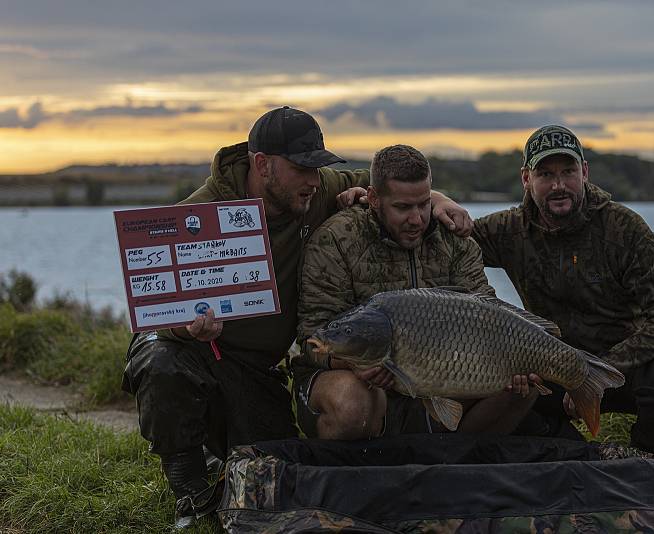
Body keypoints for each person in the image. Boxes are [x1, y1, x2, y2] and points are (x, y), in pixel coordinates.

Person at [121, 107, 473, 524]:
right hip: (200, 349)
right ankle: (189, 488)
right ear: (263, 165)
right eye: (303, 168)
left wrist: (439, 198)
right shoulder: (200, 213)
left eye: (318, 167)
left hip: (258, 368)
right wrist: (185, 324)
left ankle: (220, 460)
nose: (313, 179)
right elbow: (157, 311)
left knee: (277, 472)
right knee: (161, 361)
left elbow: (387, 186)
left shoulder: (315, 191)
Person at [471, 124, 654, 456]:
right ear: (526, 178)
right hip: (549, 372)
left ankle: (649, 459)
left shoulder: (626, 229)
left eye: (567, 171)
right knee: (477, 380)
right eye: (545, 174)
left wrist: (598, 372)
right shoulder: (508, 229)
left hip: (621, 372)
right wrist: (434, 199)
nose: (558, 185)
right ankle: (571, 451)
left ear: (584, 172)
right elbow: (444, 235)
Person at [292, 144, 544, 440]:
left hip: (436, 377)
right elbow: (312, 338)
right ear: (373, 198)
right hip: (357, 380)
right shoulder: (336, 239)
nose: (417, 219)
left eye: (424, 204)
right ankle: (354, 475)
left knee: (521, 389)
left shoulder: (454, 240)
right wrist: (354, 363)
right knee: (352, 404)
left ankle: (454, 466)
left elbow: (486, 312)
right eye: (402, 207)